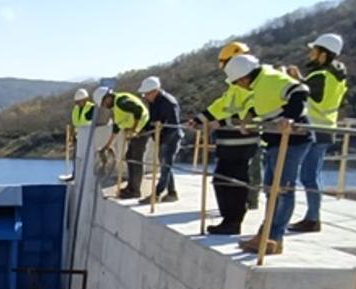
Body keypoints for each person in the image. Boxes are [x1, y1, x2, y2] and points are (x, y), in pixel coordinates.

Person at [224, 55, 313, 256]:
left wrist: (290, 118)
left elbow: (300, 91)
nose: (239, 85)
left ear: (245, 77)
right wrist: (249, 117)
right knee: (270, 190)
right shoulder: (260, 84)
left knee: (282, 190)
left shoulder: (270, 78)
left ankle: (274, 238)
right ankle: (265, 235)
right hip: (275, 140)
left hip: (293, 140)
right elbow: (266, 106)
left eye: (238, 81)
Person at [193, 41, 260, 235]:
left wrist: (220, 123)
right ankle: (229, 220)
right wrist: (200, 118)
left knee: (233, 182)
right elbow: (221, 105)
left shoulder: (250, 86)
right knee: (221, 180)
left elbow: (250, 114)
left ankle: (233, 221)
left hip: (242, 142)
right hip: (229, 143)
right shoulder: (236, 85)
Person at [287, 33, 348, 233]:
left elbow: (310, 97)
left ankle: (313, 218)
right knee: (313, 174)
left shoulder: (320, 75)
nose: (311, 54)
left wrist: (295, 80)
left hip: (314, 128)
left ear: (324, 54)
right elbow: (320, 96)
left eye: (315, 50)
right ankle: (313, 216)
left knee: (308, 175)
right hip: (326, 127)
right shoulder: (335, 75)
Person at [95, 86, 150, 199]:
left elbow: (138, 110)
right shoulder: (116, 107)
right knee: (130, 156)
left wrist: (134, 129)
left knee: (135, 159)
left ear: (107, 98)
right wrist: (107, 146)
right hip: (136, 131)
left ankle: (135, 191)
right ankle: (131, 187)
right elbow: (116, 127)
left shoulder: (121, 101)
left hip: (142, 129)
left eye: (103, 103)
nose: (104, 106)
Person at [137, 76, 182, 205]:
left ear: (154, 91)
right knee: (166, 166)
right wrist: (142, 131)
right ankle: (172, 193)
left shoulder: (169, 102)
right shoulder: (153, 102)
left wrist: (164, 141)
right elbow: (151, 120)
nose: (145, 97)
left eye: (146, 94)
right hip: (161, 137)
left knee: (165, 165)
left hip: (171, 138)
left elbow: (173, 125)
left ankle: (156, 194)